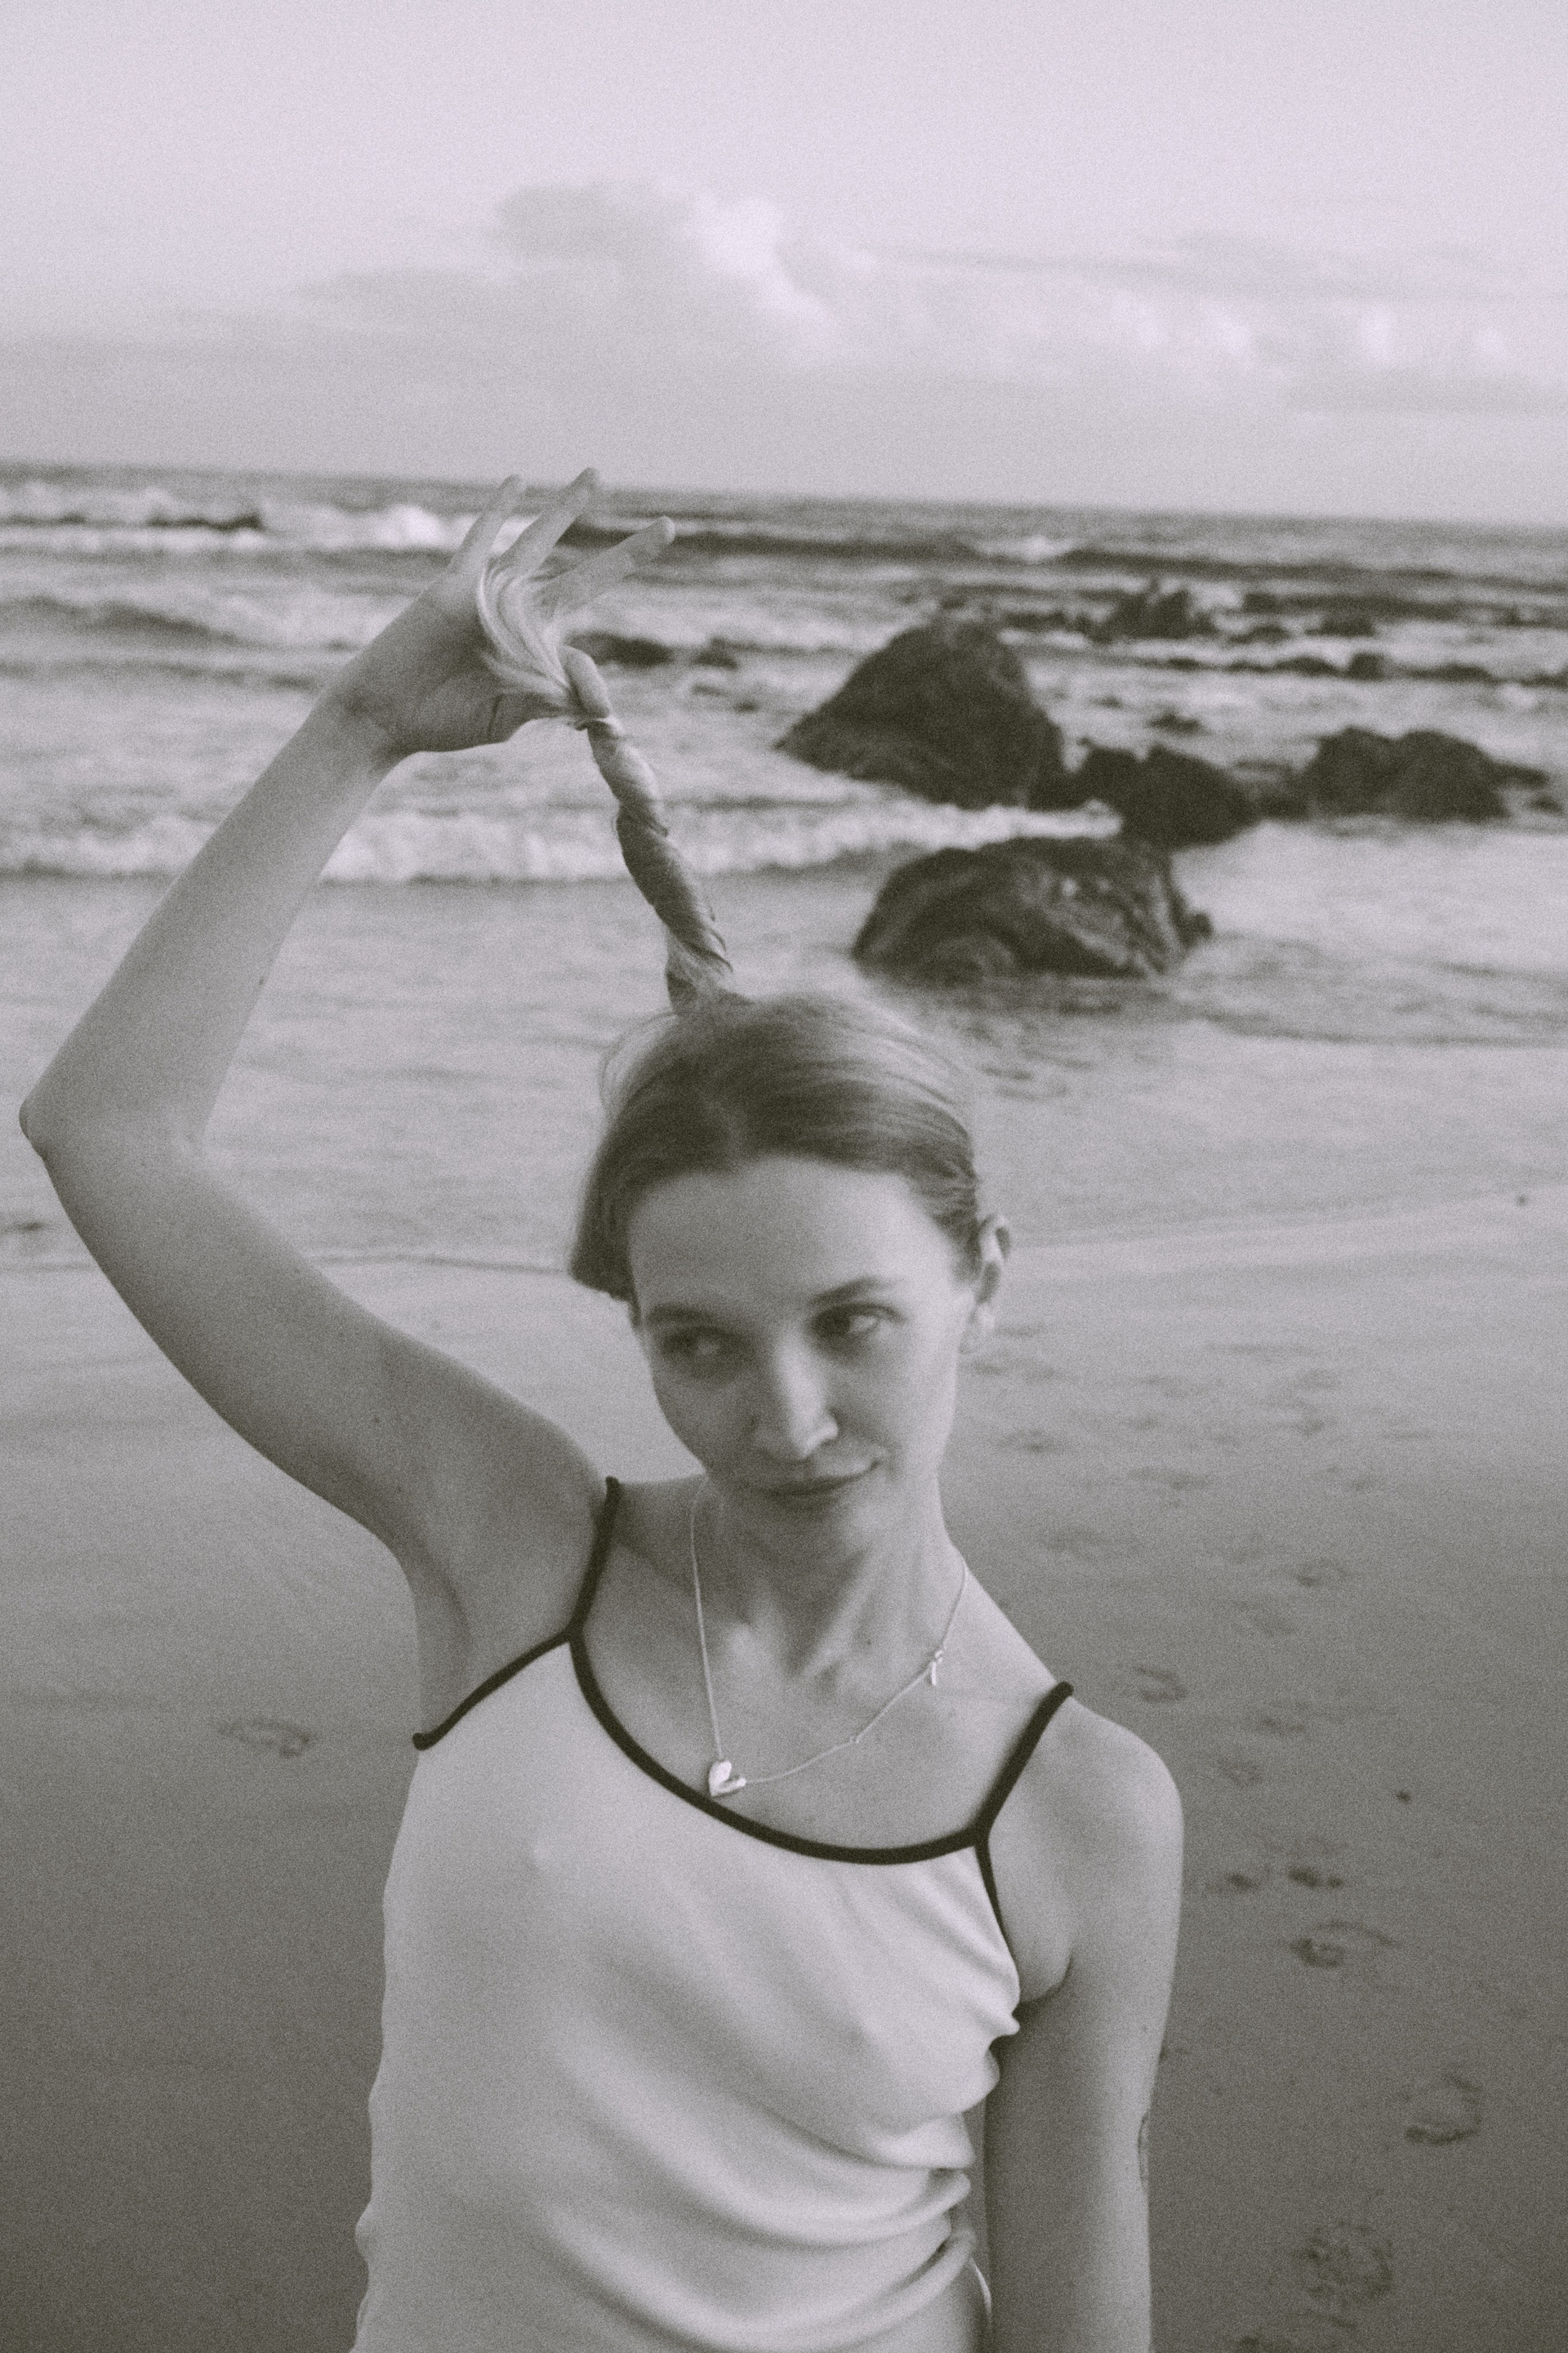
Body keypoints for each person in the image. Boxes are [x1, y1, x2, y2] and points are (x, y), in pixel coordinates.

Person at [21, 473, 1183, 2353]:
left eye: (855, 1322)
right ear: (632, 1324)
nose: (784, 1416)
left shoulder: (1082, 1814)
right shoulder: (518, 1549)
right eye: (698, 1342)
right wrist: (360, 727)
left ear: (984, 1277)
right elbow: (110, 1134)